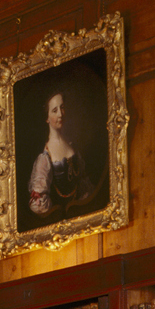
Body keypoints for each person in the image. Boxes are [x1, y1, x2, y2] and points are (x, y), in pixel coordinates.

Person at [26, 88, 100, 224]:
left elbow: (82, 182)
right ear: (47, 118)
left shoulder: (72, 145)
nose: (60, 114)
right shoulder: (45, 157)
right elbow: (38, 202)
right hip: (60, 222)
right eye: (54, 111)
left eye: (62, 108)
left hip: (81, 215)